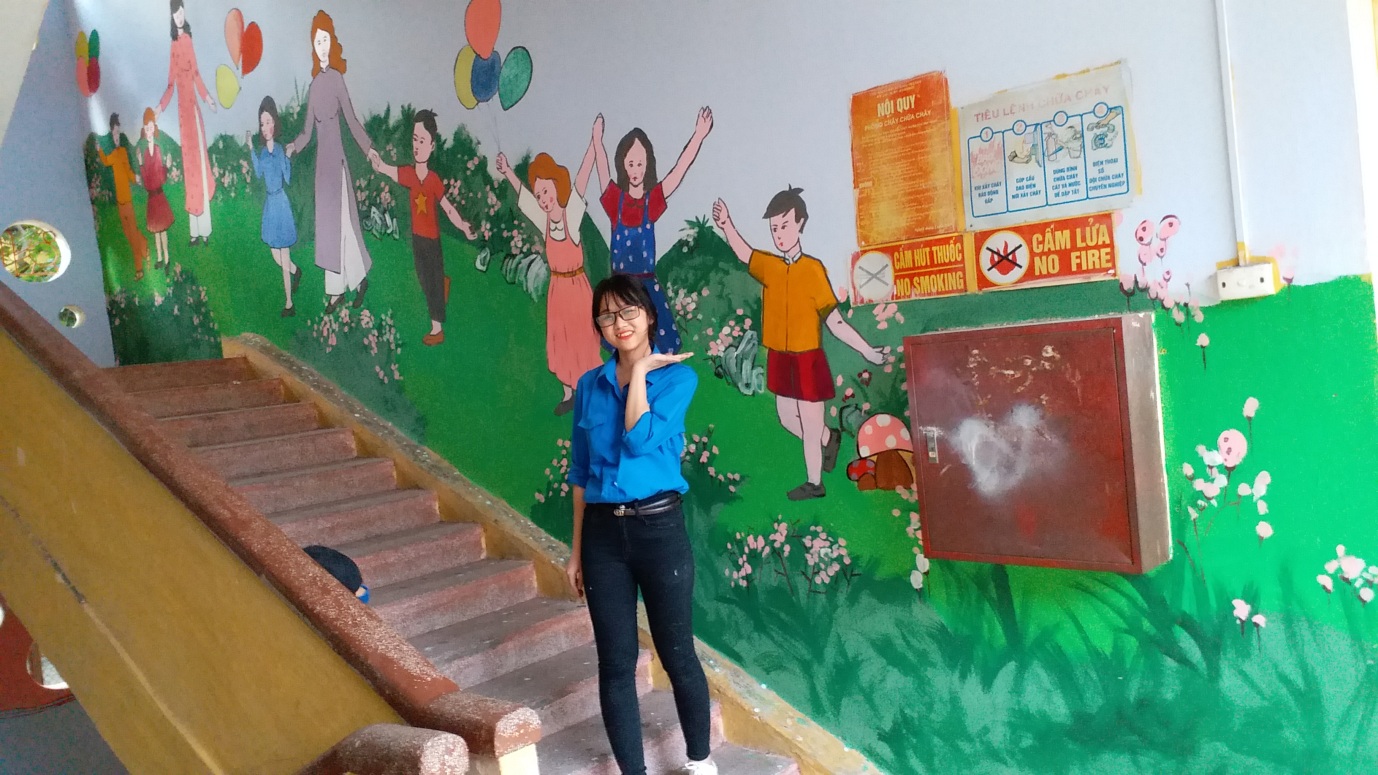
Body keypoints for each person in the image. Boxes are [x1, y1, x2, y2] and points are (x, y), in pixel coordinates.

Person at [566, 274, 716, 775]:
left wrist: (642, 371)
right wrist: (575, 551)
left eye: (628, 311)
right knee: (615, 662)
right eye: (607, 316)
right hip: (603, 537)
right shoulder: (589, 385)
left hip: (659, 531)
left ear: (649, 316)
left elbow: (638, 437)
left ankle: (700, 761)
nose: (619, 323)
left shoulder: (677, 379)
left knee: (677, 654)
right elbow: (580, 474)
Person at [713, 187, 884, 501]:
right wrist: (727, 225)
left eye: (785, 225)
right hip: (780, 356)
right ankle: (829, 438)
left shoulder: (813, 270)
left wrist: (867, 350)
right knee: (787, 418)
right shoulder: (771, 267)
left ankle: (814, 482)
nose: (779, 234)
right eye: (774, 228)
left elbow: (835, 322)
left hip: (807, 358)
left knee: (809, 421)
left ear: (800, 223)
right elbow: (745, 253)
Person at [591, 110, 713, 353]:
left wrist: (698, 136)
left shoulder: (652, 201)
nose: (635, 170)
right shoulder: (616, 202)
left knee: (655, 351)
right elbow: (602, 172)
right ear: (623, 165)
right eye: (630, 164)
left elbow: (678, 172)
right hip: (620, 292)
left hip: (647, 291)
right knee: (625, 351)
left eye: (640, 163)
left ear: (648, 165)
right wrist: (597, 141)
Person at [496, 144, 602, 414]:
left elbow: (581, 183)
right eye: (539, 194)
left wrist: (593, 146)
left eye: (546, 190)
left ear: (557, 185)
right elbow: (525, 200)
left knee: (582, 341)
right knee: (560, 341)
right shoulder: (545, 222)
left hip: (577, 290)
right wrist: (507, 171)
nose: (543, 199)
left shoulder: (570, 218)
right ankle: (568, 394)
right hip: (557, 291)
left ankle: (589, 393)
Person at [287, 10, 379, 312]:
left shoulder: (337, 80)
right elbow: (306, 131)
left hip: (337, 165)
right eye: (317, 42)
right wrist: (293, 147)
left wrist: (368, 149)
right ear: (313, 47)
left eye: (325, 40)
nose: (322, 46)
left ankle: (359, 280)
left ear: (332, 42)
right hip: (322, 171)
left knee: (345, 225)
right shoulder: (314, 86)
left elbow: (351, 119)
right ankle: (336, 292)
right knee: (328, 232)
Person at [372, 109, 476, 345]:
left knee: (432, 281)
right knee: (424, 278)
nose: (417, 146)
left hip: (432, 240)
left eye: (422, 141)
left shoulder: (433, 180)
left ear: (432, 146)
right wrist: (378, 164)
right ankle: (441, 286)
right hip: (417, 238)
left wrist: (463, 225)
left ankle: (436, 329)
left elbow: (448, 208)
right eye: (414, 139)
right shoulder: (409, 174)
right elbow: (390, 171)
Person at [156, 0, 217, 247]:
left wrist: (207, 97)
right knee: (190, 172)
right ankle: (194, 231)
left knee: (199, 168)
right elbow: (170, 83)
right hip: (183, 117)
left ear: (184, 13)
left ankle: (205, 230)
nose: (179, 17)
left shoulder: (188, 41)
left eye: (181, 13)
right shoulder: (173, 46)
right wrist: (160, 107)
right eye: (175, 14)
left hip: (193, 111)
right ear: (172, 18)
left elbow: (196, 75)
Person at [246, 96, 302, 317]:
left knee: (284, 254)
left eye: (268, 122)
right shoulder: (262, 151)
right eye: (262, 123)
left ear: (275, 123)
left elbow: (287, 177)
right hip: (270, 204)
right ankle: (296, 271)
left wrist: (287, 156)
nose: (265, 127)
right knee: (274, 254)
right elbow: (259, 172)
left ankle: (289, 303)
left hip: (281, 203)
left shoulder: (279, 149)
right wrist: (251, 148)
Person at [96, 113, 150, 280]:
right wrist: (99, 150)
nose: (117, 137)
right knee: (129, 234)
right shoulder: (113, 154)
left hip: (127, 201)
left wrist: (136, 178)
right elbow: (106, 161)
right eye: (114, 134)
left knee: (132, 234)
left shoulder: (124, 152)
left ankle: (139, 269)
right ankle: (144, 246)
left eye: (118, 133)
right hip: (120, 203)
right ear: (111, 135)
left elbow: (128, 172)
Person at [136, 108, 174, 271]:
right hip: (152, 197)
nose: (149, 131)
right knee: (156, 232)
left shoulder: (158, 150)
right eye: (146, 129)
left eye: (151, 128)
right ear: (144, 131)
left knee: (163, 231)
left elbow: (161, 176)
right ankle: (159, 258)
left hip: (159, 196)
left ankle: (167, 258)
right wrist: (140, 163)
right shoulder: (145, 153)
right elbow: (146, 180)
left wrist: (167, 167)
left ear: (154, 129)